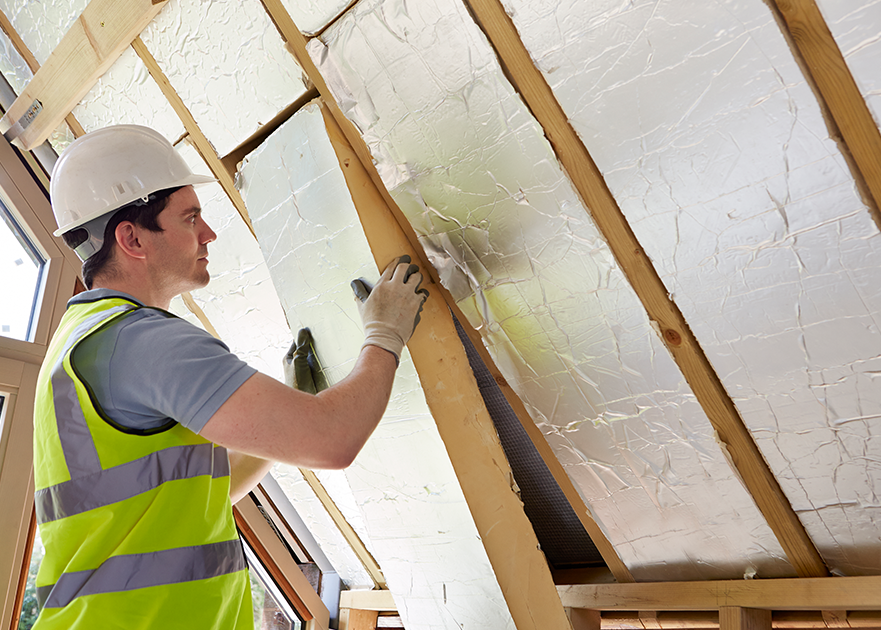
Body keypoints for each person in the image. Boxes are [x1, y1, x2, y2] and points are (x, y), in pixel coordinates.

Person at [32, 124, 428, 629]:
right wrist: (385, 335)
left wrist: (282, 415)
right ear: (131, 238)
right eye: (190, 217)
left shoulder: (77, 344)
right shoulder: (142, 343)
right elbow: (334, 441)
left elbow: (196, 498)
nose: (209, 233)